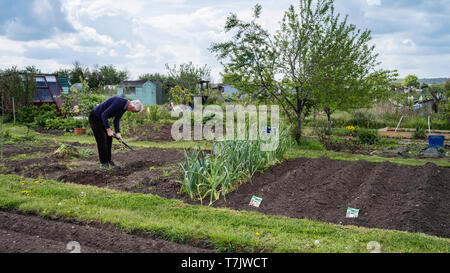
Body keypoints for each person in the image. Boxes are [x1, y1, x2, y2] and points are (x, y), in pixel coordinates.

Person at [89, 97, 143, 169]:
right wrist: (108, 130)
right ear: (132, 106)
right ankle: (103, 163)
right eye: (134, 111)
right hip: (95, 117)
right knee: (102, 140)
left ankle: (108, 161)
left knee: (109, 139)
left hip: (101, 119)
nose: (132, 112)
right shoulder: (119, 102)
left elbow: (116, 120)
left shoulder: (124, 107)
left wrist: (118, 133)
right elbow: (104, 114)